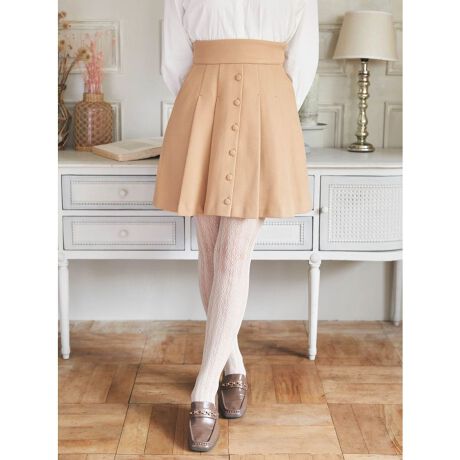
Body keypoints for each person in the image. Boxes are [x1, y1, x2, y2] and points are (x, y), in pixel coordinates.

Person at [153, 0, 319, 452]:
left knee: (231, 253)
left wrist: (272, 113)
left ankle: (204, 388)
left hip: (266, 109)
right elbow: (174, 61)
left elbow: (303, 62)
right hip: (203, 105)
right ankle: (234, 364)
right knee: (210, 249)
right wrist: (207, 98)